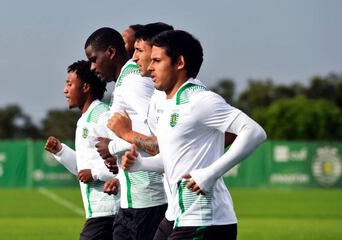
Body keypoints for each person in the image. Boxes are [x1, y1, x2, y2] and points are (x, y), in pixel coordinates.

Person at [121, 30, 267, 240]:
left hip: (205, 219)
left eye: (157, 60)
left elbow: (254, 132)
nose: (150, 67)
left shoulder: (200, 99)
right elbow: (174, 158)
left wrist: (210, 173)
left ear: (179, 62)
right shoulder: (167, 103)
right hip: (175, 216)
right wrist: (141, 166)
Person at [84, 27, 167, 240]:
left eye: (94, 59)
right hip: (133, 200)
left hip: (147, 200)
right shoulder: (125, 80)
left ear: (111, 52)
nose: (92, 67)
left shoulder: (133, 81)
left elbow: (157, 139)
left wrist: (111, 146)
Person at [44, 60, 119, 240]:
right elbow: (83, 170)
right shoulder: (85, 119)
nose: (64, 89)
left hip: (109, 211)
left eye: (69, 84)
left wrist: (95, 173)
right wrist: (61, 151)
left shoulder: (103, 116)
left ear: (85, 87)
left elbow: (125, 161)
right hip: (98, 212)